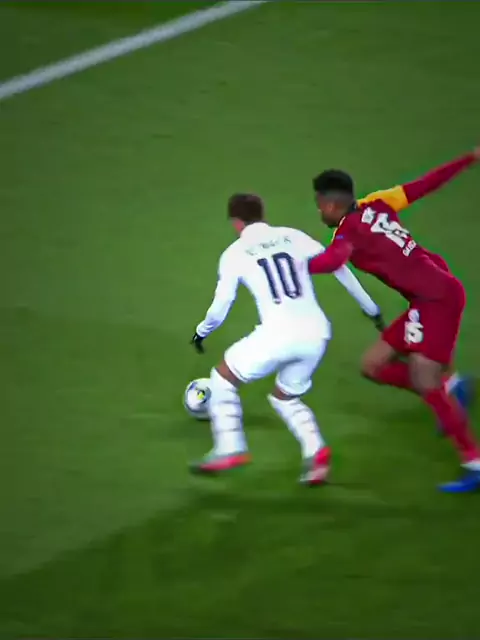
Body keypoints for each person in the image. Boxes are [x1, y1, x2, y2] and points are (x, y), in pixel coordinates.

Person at [309, 148, 480, 491]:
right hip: (427, 295)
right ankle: (451, 388)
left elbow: (333, 261)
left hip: (437, 301)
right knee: (372, 366)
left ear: (331, 204)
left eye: (319, 205)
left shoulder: (347, 234)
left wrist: (295, 264)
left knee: (424, 379)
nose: (318, 211)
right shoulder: (377, 202)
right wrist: (469, 158)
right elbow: (426, 184)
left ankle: (473, 461)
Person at [190, 193, 382, 485]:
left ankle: (229, 446)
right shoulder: (293, 236)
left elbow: (221, 306)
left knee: (222, 378)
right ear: (262, 214)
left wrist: (202, 331)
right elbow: (338, 267)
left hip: (279, 333)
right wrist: (372, 309)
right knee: (285, 397)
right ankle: (315, 452)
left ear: (236, 222)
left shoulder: (234, 253)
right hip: (317, 333)